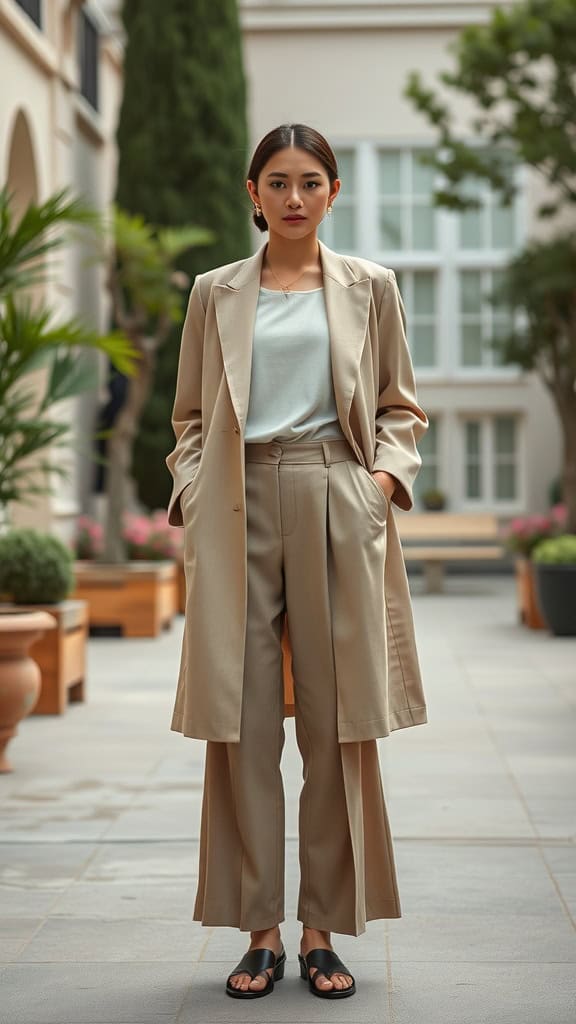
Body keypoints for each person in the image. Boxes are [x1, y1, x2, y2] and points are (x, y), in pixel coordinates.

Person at [166, 123, 429, 1001]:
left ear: (333, 192)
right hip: (236, 506)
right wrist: (195, 492)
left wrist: (380, 486)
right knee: (240, 727)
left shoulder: (370, 288)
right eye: (276, 181)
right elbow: (190, 422)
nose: (293, 196)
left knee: (333, 723)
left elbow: (400, 406)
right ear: (252, 193)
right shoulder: (214, 292)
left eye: (310, 181)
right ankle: (259, 933)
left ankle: (321, 932)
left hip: (333, 498)